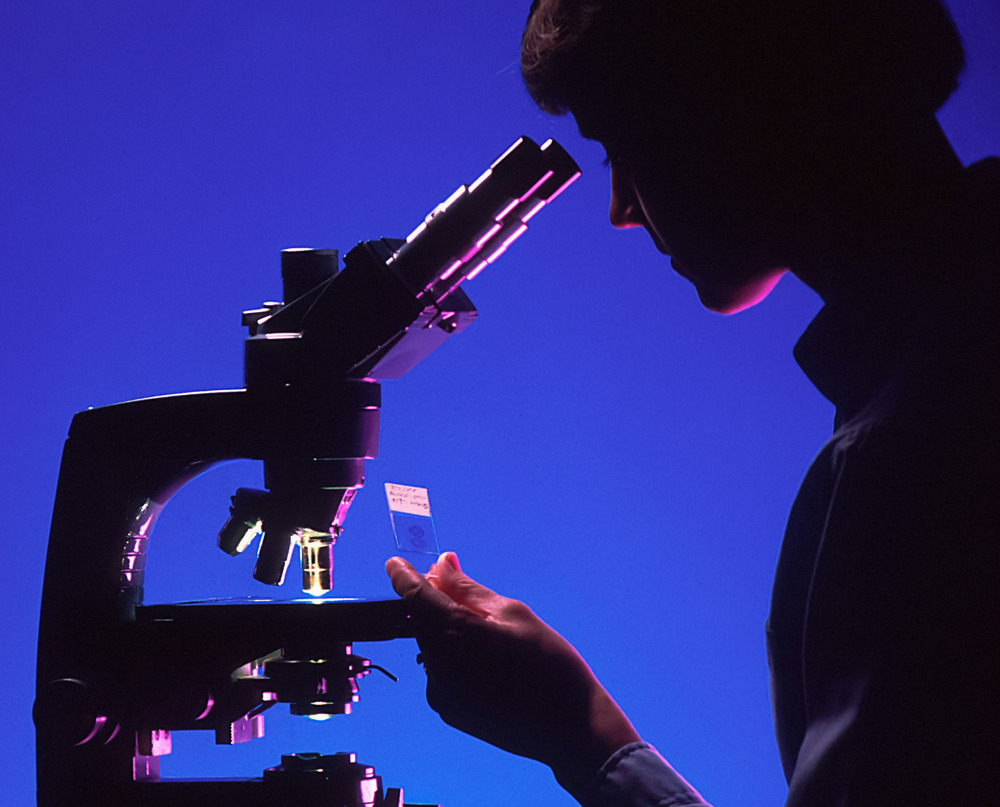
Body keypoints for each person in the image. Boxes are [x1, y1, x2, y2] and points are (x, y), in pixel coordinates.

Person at [386, 1, 999, 804]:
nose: (622, 209)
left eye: (622, 150)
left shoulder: (909, 460)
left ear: (740, 112)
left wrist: (585, 738)